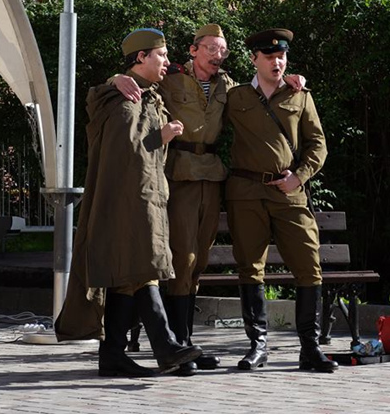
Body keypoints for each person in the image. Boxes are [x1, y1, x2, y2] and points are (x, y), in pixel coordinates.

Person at [112, 24, 305, 376]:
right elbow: (136, 79)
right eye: (213, 49)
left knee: (197, 260)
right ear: (193, 50)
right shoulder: (169, 79)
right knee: (181, 259)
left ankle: (183, 346)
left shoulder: (227, 87)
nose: (219, 56)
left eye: (224, 51)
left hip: (212, 175)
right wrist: (115, 78)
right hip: (180, 173)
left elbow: (260, 93)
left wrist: (292, 79)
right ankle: (176, 346)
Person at [54, 28, 201, 378]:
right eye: (161, 55)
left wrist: (160, 138)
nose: (166, 61)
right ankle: (166, 346)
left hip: (147, 198)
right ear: (141, 58)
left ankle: (113, 355)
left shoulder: (148, 96)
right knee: (144, 269)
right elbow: (124, 152)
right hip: (127, 202)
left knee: (128, 276)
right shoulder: (122, 99)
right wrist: (161, 136)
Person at [225, 28, 338, 372]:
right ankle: (257, 346)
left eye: (282, 56)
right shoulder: (235, 96)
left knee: (308, 265)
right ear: (254, 59)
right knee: (250, 267)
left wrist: (299, 177)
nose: (278, 62)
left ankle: (310, 347)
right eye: (270, 56)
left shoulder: (300, 95)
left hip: (288, 192)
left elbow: (318, 145)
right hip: (245, 193)